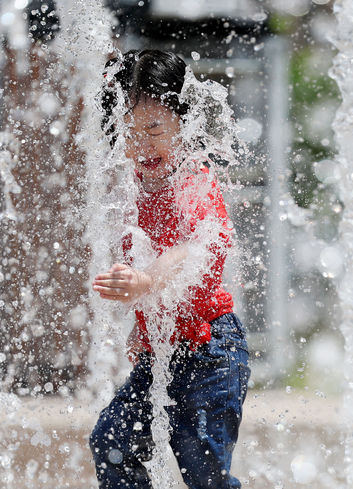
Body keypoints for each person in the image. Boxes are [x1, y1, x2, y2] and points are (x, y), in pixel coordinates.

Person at [89, 49, 251, 489]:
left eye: (155, 129)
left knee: (202, 471)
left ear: (185, 122)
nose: (142, 144)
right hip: (162, 352)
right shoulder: (134, 192)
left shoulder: (191, 180)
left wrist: (146, 281)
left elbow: (193, 248)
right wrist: (143, 324)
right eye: (128, 133)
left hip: (210, 353)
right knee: (111, 444)